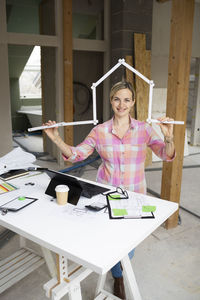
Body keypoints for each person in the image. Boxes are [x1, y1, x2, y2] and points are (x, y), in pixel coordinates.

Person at [44, 81, 175, 299]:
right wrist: (56, 138)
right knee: (108, 238)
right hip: (106, 195)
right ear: (111, 101)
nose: (121, 104)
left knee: (128, 245)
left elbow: (166, 154)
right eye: (116, 99)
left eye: (126, 99)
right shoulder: (100, 131)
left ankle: (118, 273)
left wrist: (168, 137)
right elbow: (78, 154)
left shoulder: (144, 129)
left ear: (133, 102)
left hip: (135, 197)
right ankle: (118, 277)